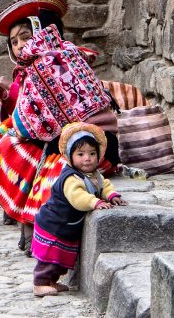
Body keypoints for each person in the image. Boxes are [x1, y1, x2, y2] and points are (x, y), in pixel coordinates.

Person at [0, 0, 119, 254]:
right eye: (13, 42)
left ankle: (30, 222)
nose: (18, 46)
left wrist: (13, 95)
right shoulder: (43, 62)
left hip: (92, 146)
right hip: (62, 135)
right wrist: (9, 96)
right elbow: (34, 115)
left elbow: (33, 124)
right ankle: (18, 212)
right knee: (9, 141)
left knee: (22, 152)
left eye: (25, 37)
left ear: (42, 33)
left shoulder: (54, 61)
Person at [31, 122, 127, 297]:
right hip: (54, 223)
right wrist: (94, 202)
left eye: (92, 154)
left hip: (66, 226)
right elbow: (77, 197)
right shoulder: (71, 178)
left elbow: (103, 185)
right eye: (81, 154)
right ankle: (40, 282)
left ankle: (52, 281)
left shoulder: (94, 174)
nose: (87, 158)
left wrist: (112, 195)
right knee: (50, 258)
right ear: (70, 156)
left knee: (60, 260)